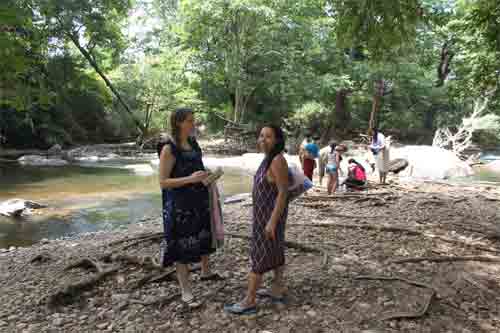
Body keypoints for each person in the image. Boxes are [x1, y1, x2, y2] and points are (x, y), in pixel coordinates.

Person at [157, 108, 219, 308]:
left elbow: (195, 169)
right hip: (178, 206)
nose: (193, 124)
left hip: (198, 200)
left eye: (194, 120)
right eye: (190, 121)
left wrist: (205, 173)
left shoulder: (193, 143)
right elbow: (163, 182)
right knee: (180, 246)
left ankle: (206, 272)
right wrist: (190, 179)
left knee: (202, 235)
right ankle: (186, 292)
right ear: (178, 123)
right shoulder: (169, 148)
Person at [225, 125, 289, 315]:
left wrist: (272, 221)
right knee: (275, 249)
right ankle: (277, 288)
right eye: (261, 136)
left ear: (277, 140)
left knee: (258, 257)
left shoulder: (277, 160)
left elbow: (283, 192)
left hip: (269, 217)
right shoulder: (267, 158)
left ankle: (249, 301)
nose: (263, 139)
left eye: (268, 136)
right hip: (264, 215)